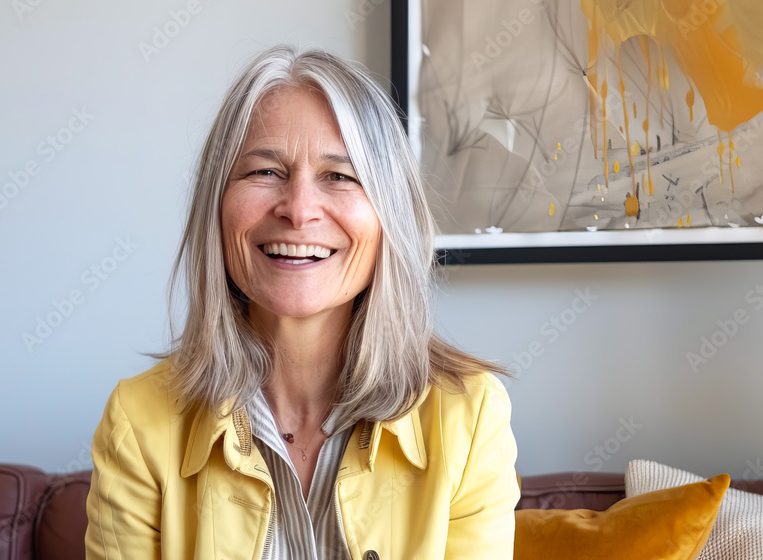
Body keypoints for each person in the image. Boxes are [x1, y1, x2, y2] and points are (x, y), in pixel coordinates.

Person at [85, 44, 520, 559]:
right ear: (217, 207)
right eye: (264, 172)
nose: (298, 210)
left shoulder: (469, 416)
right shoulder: (137, 420)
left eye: (340, 176)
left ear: (390, 217)